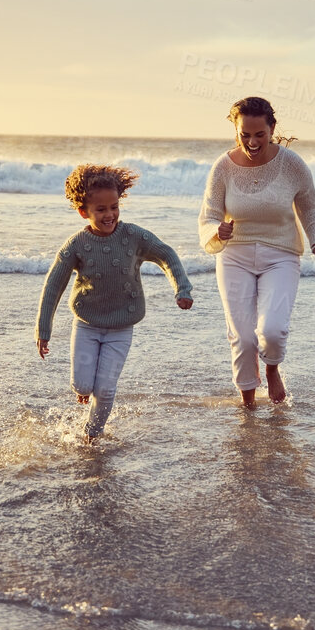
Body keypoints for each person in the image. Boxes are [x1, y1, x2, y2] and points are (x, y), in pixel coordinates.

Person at [36, 165, 193, 440]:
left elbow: (166, 254)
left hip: (121, 328)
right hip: (86, 326)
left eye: (114, 207)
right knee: (84, 385)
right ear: (84, 211)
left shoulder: (133, 236)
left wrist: (182, 288)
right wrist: (43, 330)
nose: (109, 215)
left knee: (106, 389)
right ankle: (84, 392)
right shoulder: (77, 244)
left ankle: (90, 436)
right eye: (101, 210)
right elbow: (53, 286)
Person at [198, 97, 315, 407]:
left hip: (280, 254)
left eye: (259, 134)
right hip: (235, 255)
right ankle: (247, 403)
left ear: (271, 128)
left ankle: (272, 368)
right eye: (245, 134)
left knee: (272, 329)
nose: (252, 141)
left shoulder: (291, 164)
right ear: (236, 129)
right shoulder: (223, 166)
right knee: (243, 337)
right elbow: (209, 215)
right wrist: (217, 232)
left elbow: (310, 207)